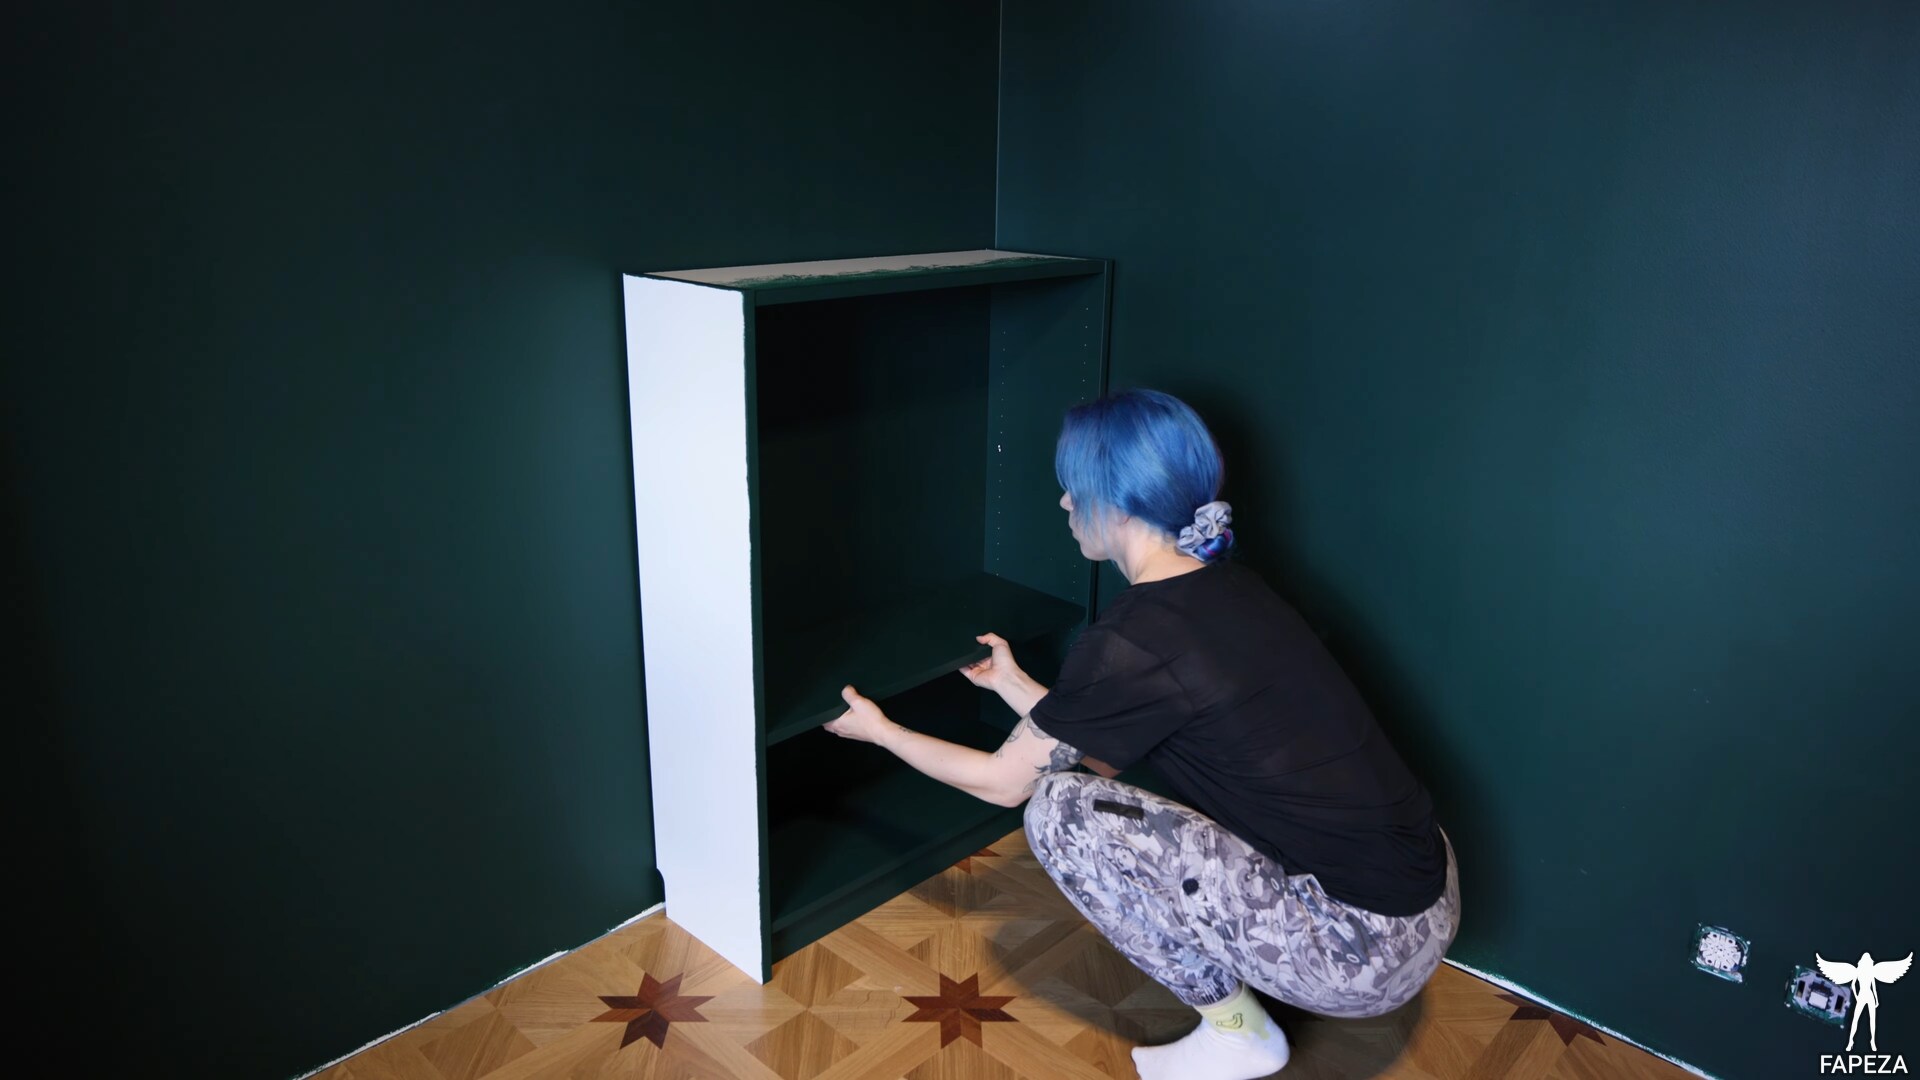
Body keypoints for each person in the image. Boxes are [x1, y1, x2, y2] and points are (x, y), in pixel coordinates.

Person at [825, 388, 1459, 1080]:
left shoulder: (1135, 639)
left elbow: (1004, 784)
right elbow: (1097, 736)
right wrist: (1011, 683)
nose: (1064, 503)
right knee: (1088, 784)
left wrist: (880, 731)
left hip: (1360, 954)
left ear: (1119, 504)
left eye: (1074, 489)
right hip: (1427, 894)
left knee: (1059, 812)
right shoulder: (1226, 589)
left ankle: (1240, 1036)